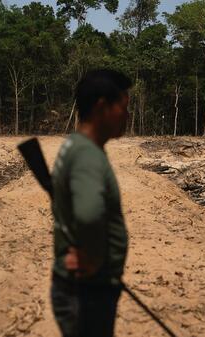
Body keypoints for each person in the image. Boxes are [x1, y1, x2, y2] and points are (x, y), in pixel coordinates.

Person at [50, 69, 132, 337]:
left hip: (78, 289)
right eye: (123, 106)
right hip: (87, 293)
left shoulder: (74, 145)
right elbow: (88, 214)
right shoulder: (88, 156)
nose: (127, 116)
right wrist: (95, 259)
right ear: (102, 107)